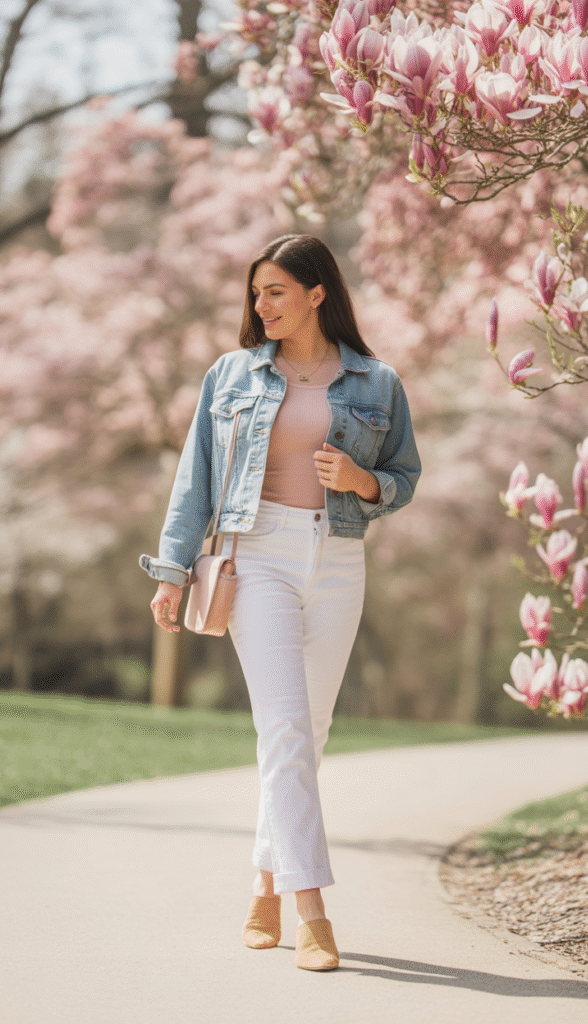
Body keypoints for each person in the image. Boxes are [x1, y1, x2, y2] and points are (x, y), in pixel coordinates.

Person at [140, 234, 421, 971]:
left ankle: (264, 886)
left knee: (306, 733)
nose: (260, 305)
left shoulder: (377, 381)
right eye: (256, 293)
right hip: (255, 553)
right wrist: (172, 570)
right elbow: (195, 478)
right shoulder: (232, 374)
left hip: (337, 558)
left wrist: (362, 481)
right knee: (288, 728)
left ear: (316, 294)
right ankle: (312, 911)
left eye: (276, 292)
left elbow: (403, 476)